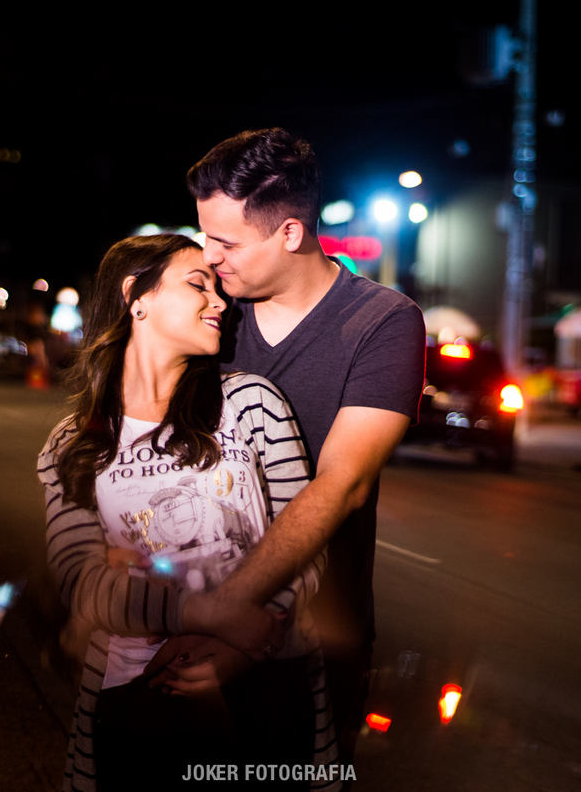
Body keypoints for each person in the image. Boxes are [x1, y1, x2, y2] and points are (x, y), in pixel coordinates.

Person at [148, 129, 426, 780]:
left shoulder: (381, 323)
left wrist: (228, 613)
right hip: (178, 635)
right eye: (203, 236)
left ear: (291, 234)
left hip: (313, 646)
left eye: (226, 242)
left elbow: (343, 483)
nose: (209, 257)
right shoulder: (211, 316)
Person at [38, 234, 339, 791]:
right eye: (198, 284)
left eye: (219, 288)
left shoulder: (252, 403)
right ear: (137, 297)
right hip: (137, 699)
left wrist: (240, 647)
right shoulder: (73, 444)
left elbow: (307, 541)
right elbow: (83, 583)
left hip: (270, 682)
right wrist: (213, 616)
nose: (220, 301)